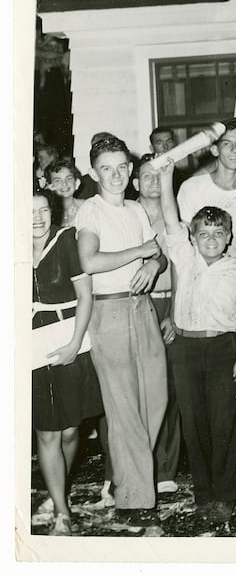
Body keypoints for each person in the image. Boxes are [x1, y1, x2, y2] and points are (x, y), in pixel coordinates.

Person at [156, 159, 236, 527]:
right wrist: (167, 177)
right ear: (194, 237)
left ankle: (228, 494)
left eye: (218, 233)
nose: (211, 240)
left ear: (229, 237)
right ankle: (203, 492)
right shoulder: (185, 259)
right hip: (185, 348)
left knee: (224, 421)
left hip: (223, 348)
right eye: (204, 234)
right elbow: (170, 219)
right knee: (193, 421)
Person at [74, 135, 168, 526]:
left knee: (155, 399)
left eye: (121, 167)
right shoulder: (90, 213)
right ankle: (134, 499)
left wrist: (154, 264)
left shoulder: (136, 210)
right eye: (107, 169)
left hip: (141, 307)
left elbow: (157, 254)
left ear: (130, 170)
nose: (116, 175)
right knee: (124, 407)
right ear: (95, 173)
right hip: (109, 312)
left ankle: (128, 481)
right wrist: (140, 253)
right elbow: (90, 261)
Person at [175, 118, 236, 487]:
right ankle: (206, 481)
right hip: (198, 307)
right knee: (200, 410)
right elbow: (180, 244)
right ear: (214, 148)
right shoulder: (193, 189)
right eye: (226, 143)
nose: (233, 150)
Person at [32, 187, 103, 536]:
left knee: (71, 428)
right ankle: (62, 510)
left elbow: (85, 295)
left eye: (43, 210)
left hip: (68, 338)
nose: (37, 218)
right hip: (29, 347)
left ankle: (59, 484)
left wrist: (75, 342)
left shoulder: (65, 241)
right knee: (47, 432)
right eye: (29, 211)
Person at [132, 155, 181, 496]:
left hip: (168, 301)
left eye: (158, 176)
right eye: (146, 176)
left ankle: (165, 467)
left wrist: (175, 313)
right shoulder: (126, 213)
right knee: (135, 388)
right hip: (136, 302)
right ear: (135, 182)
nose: (152, 181)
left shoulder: (174, 215)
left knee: (171, 389)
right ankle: (129, 466)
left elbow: (181, 267)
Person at [44, 157, 83, 228]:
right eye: (57, 180)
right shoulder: (45, 211)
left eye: (69, 178)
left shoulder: (87, 207)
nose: (64, 183)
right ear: (50, 186)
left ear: (76, 183)